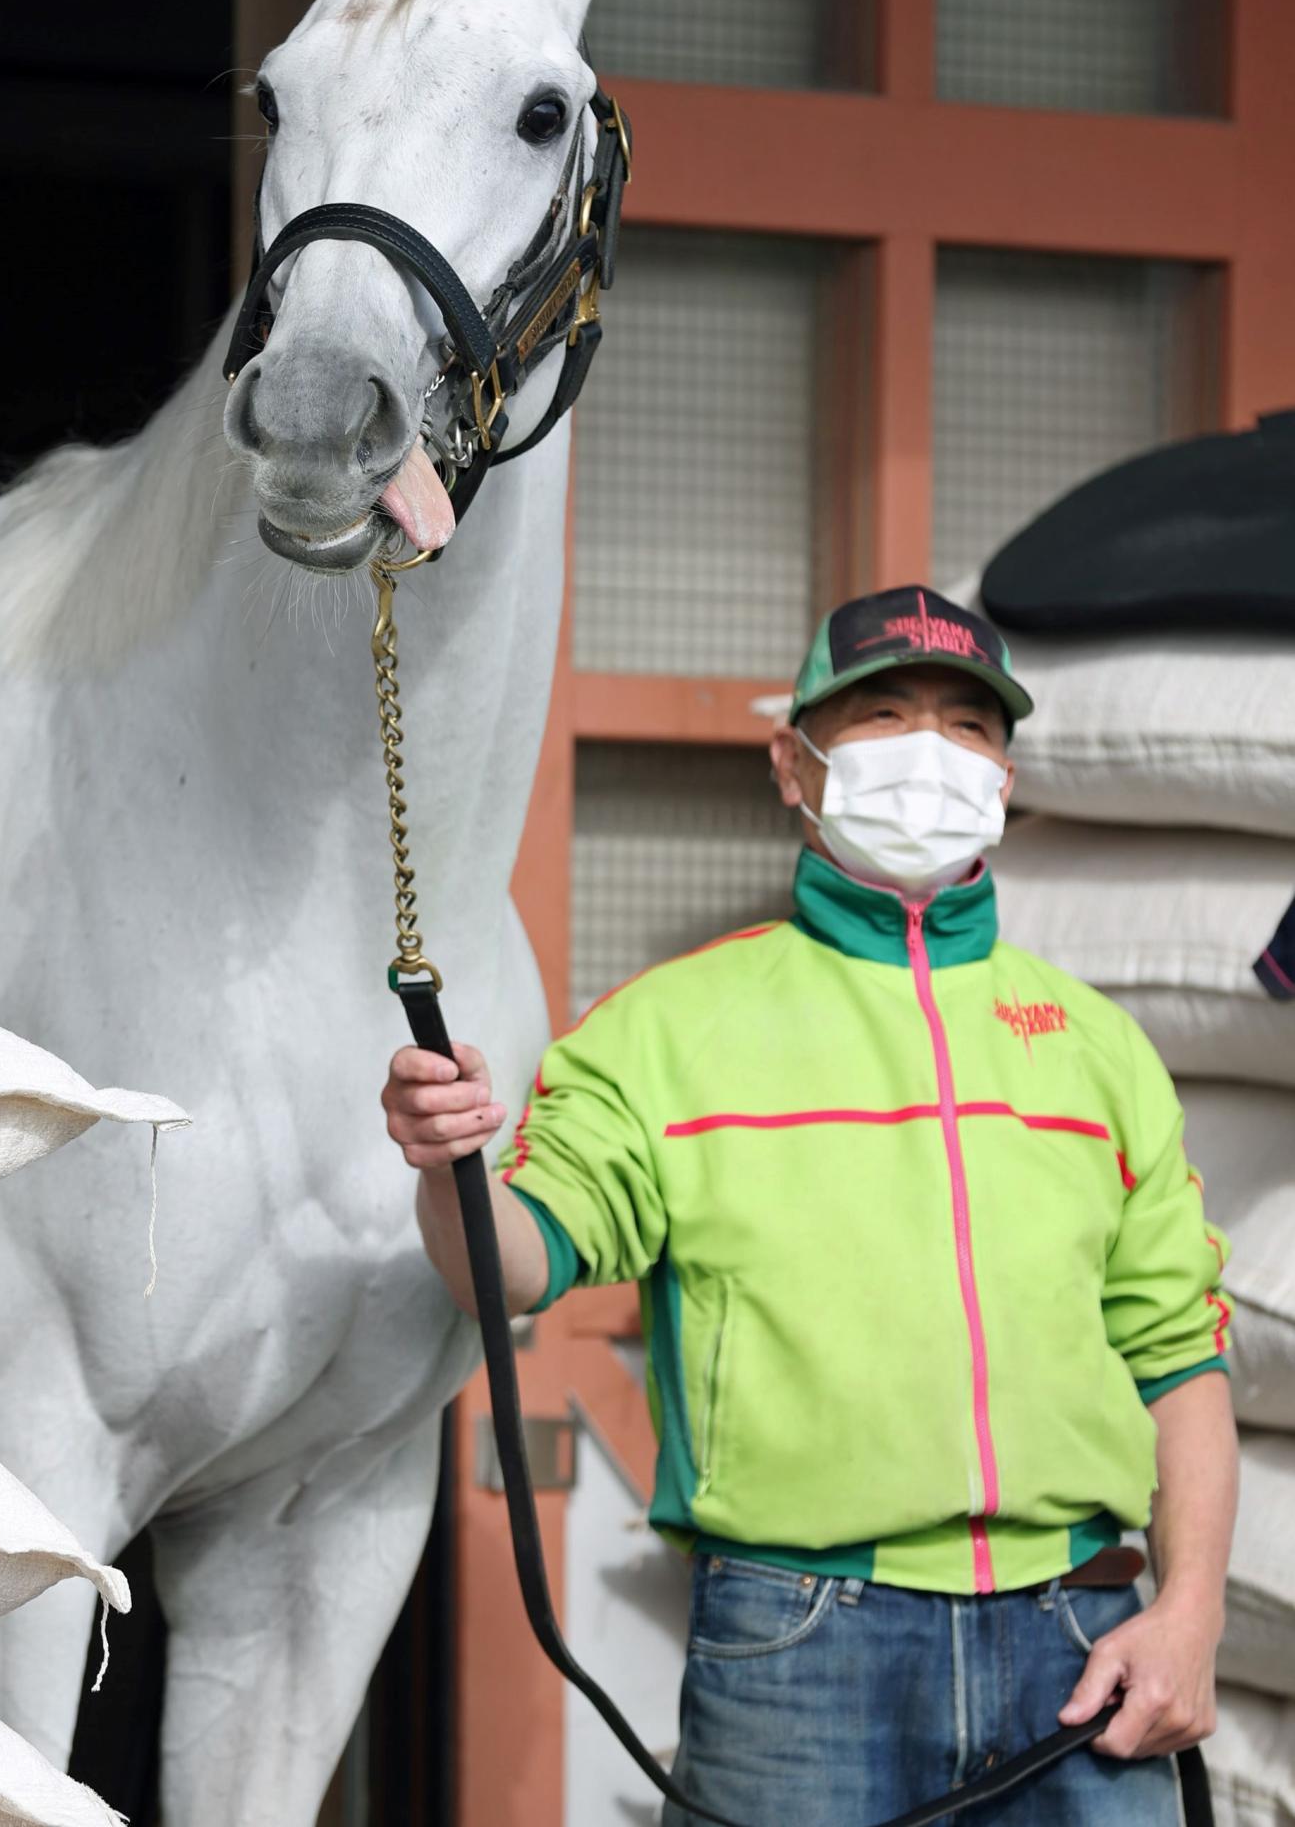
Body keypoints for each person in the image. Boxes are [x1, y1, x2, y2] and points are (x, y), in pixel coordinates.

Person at [380, 586, 1238, 1825]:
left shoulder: (1099, 1049)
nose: (928, 753)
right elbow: (505, 1266)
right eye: (882, 715)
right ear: (793, 762)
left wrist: (1193, 1610)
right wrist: (443, 1159)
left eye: (965, 725)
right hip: (802, 1650)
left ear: (1004, 772)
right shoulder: (668, 1032)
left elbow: (1180, 1357)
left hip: (1082, 1635)